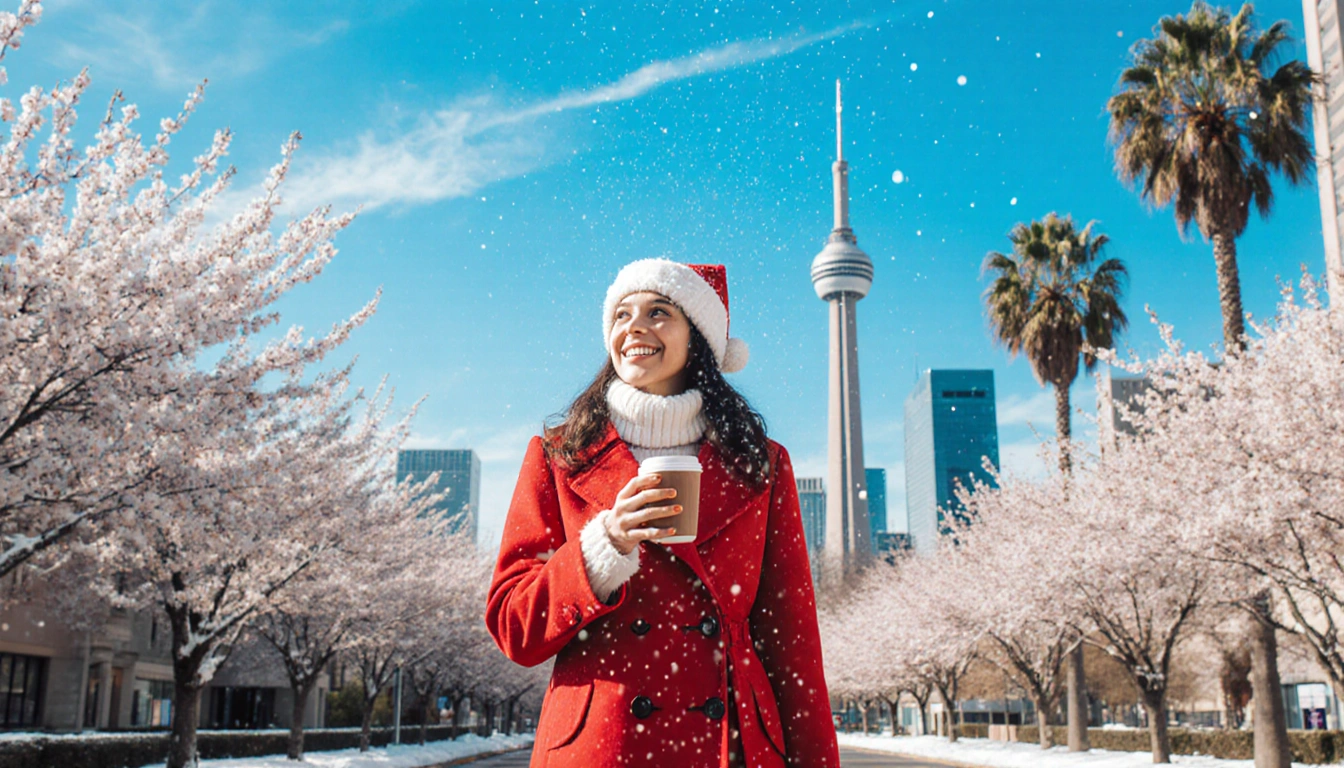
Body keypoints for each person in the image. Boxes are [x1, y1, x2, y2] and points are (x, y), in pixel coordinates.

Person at [485, 258, 839, 767]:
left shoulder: (761, 463)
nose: (635, 327)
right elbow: (513, 626)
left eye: (658, 312)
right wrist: (603, 545)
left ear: (698, 335)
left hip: (732, 744)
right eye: (622, 314)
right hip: (602, 744)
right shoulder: (558, 457)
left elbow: (793, 644)